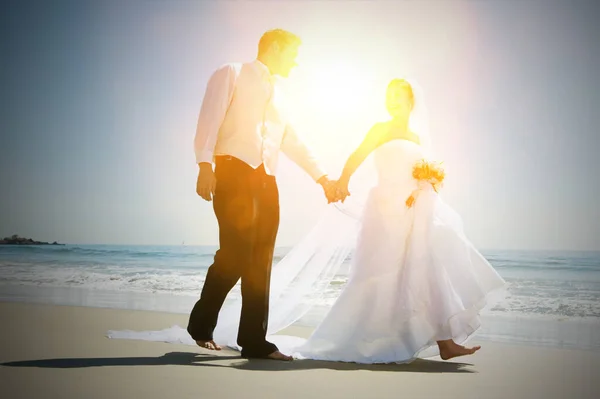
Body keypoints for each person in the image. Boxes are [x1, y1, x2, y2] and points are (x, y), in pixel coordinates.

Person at [285, 78, 507, 363]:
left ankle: (446, 342)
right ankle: (364, 336)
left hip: (414, 211)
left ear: (410, 102)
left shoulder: (417, 138)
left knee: (426, 268)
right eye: (388, 96)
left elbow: (421, 175)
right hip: (383, 210)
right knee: (377, 272)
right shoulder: (380, 129)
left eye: (397, 97)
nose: (391, 101)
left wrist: (425, 188)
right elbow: (358, 155)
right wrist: (342, 181)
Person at [187, 29, 337, 361]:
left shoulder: (282, 98)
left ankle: (255, 340)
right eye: (292, 54)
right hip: (232, 171)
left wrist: (323, 178)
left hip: (267, 181)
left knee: (261, 263)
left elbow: (293, 143)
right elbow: (208, 120)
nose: (295, 62)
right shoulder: (232, 72)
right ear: (277, 47)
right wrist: (204, 165)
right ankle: (200, 324)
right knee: (235, 253)